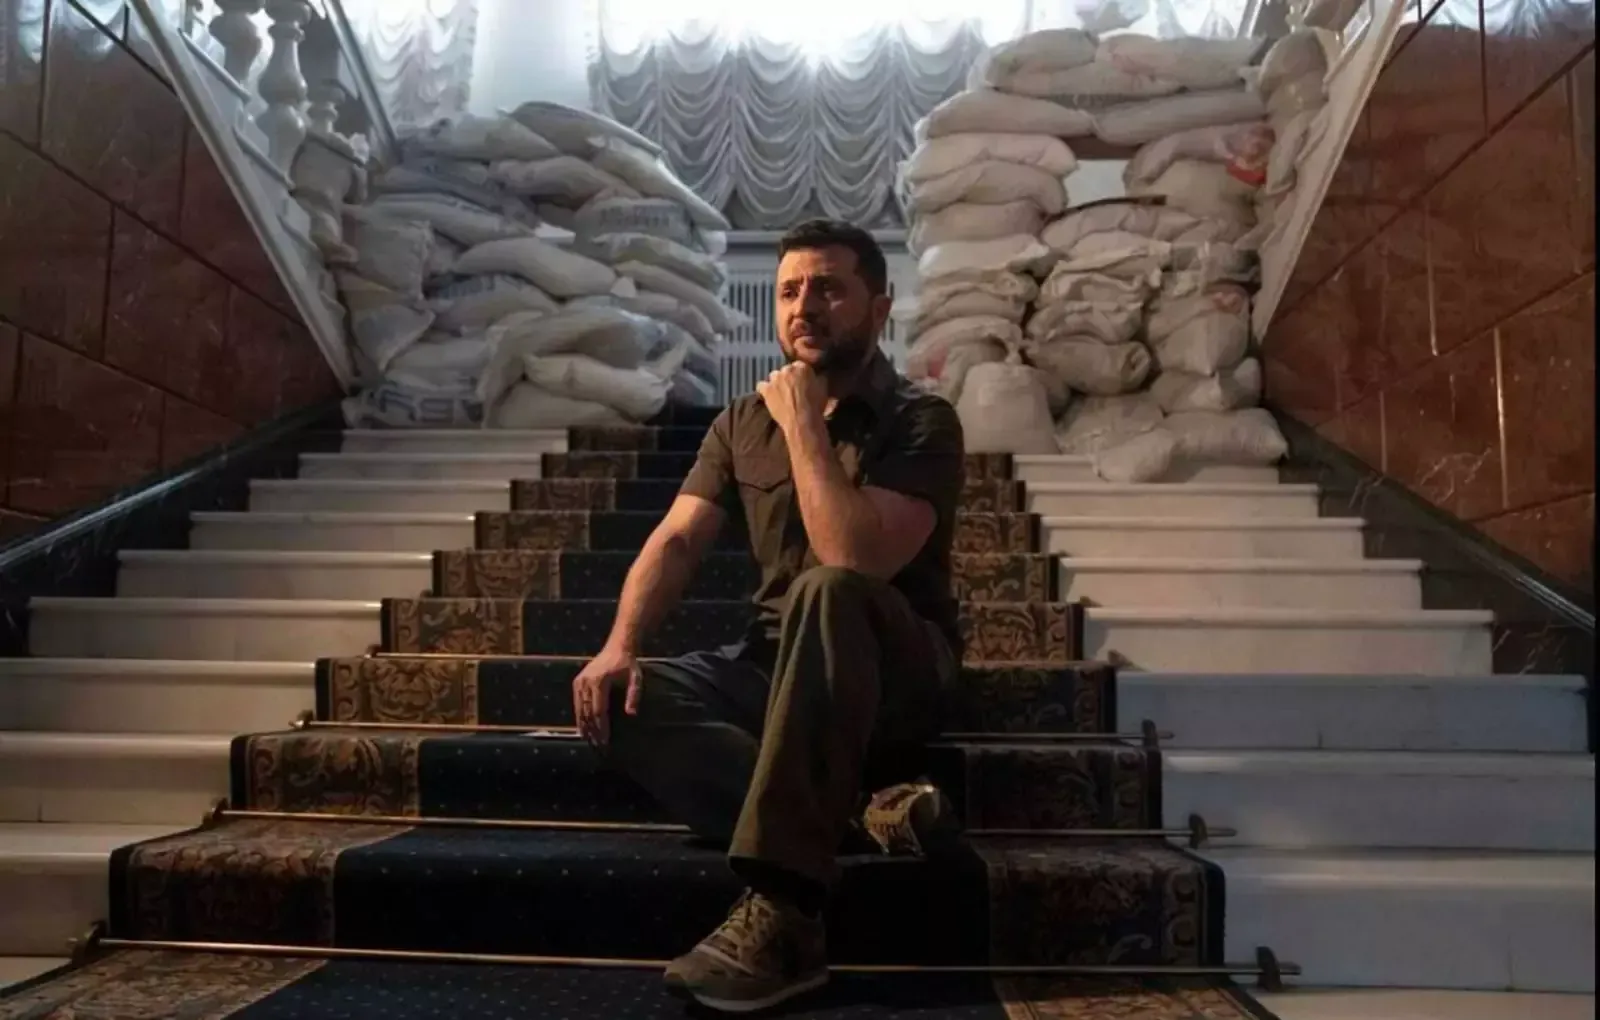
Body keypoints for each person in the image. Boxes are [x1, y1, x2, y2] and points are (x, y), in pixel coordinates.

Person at [571, 219, 967, 1014]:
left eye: (828, 289)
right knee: (624, 697)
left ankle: (787, 911)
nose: (803, 307)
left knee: (828, 590)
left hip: (892, 673)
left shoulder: (921, 420)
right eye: (789, 291)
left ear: (879, 308)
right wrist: (619, 645)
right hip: (775, 667)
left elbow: (853, 558)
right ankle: (858, 816)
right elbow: (678, 538)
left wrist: (805, 426)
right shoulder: (740, 423)